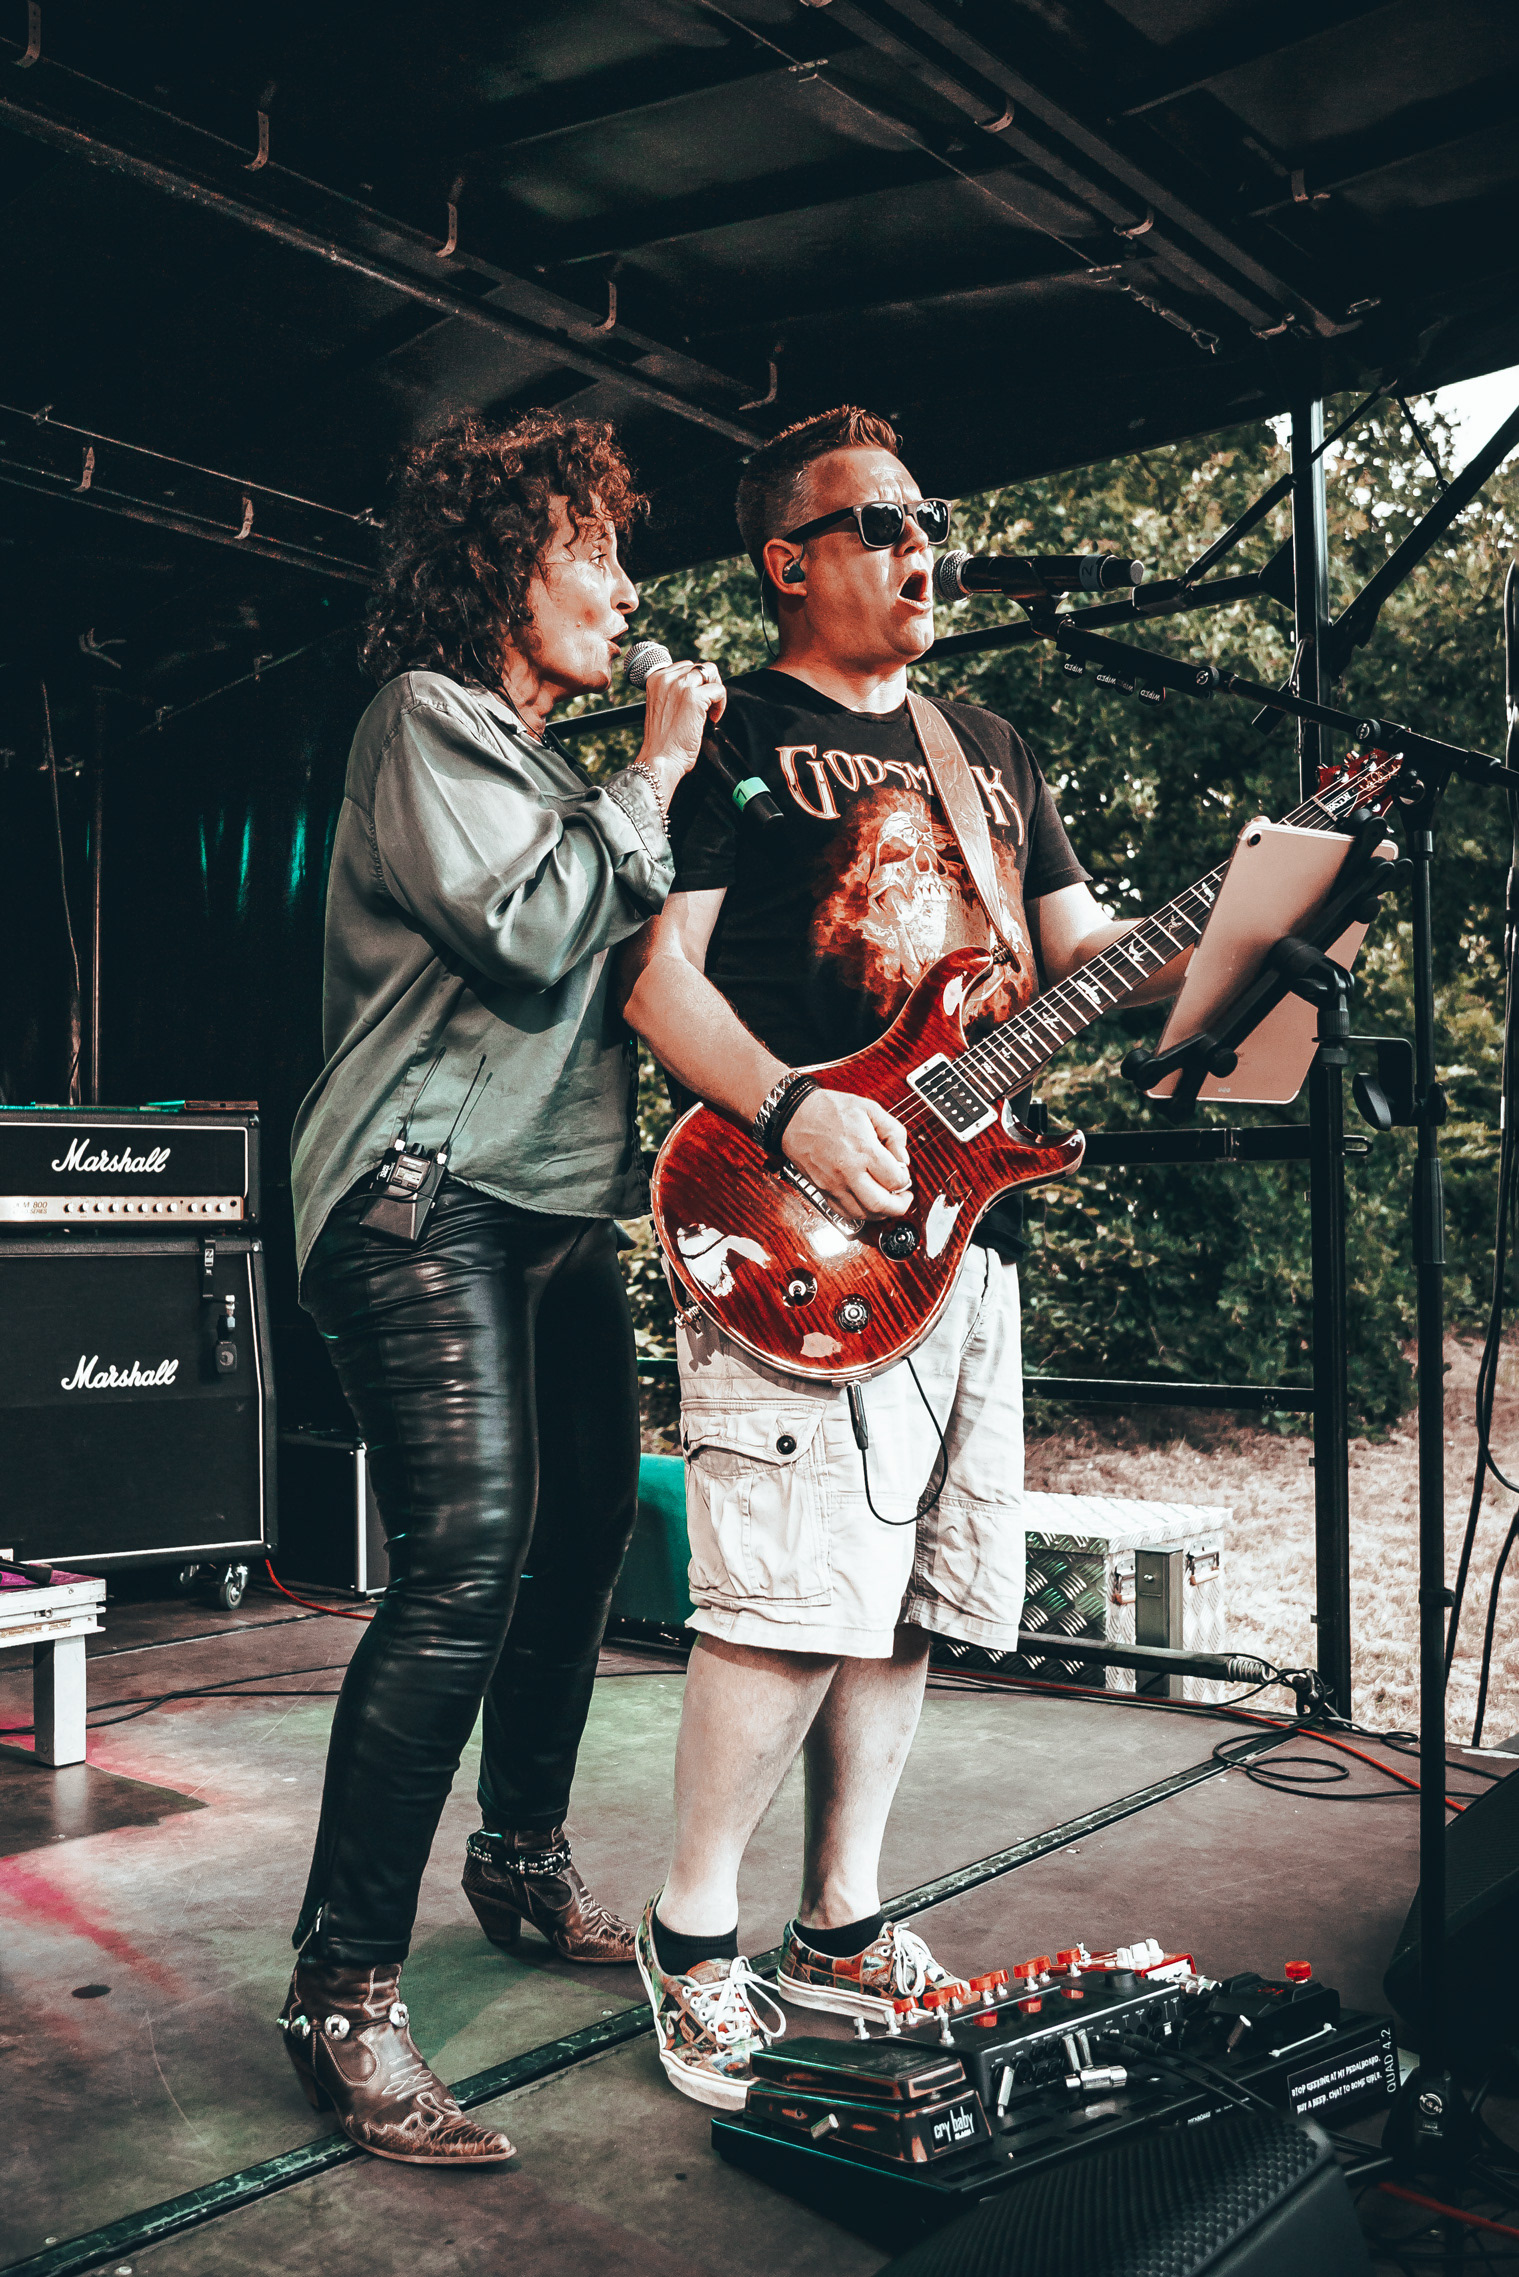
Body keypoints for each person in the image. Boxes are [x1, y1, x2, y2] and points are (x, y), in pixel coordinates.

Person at [618, 405, 1185, 2109]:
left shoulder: (987, 744)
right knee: (787, 1596)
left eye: (926, 515)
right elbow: (653, 980)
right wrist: (793, 1113)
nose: (919, 544)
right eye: (877, 521)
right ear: (788, 560)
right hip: (792, 1212)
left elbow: (1086, 958)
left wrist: (1255, 913)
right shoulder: (739, 730)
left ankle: (841, 1924)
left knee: (909, 1595)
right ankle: (692, 1937)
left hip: (961, 1230)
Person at [283, 408, 724, 2163]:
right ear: (498, 573)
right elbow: (532, 930)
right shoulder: (426, 720)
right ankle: (341, 1989)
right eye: (591, 554)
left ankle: (522, 1857)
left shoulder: (550, 771)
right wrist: (656, 774)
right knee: (465, 1556)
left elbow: (640, 953)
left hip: (546, 1211)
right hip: (419, 1196)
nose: (626, 590)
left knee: (590, 1518)